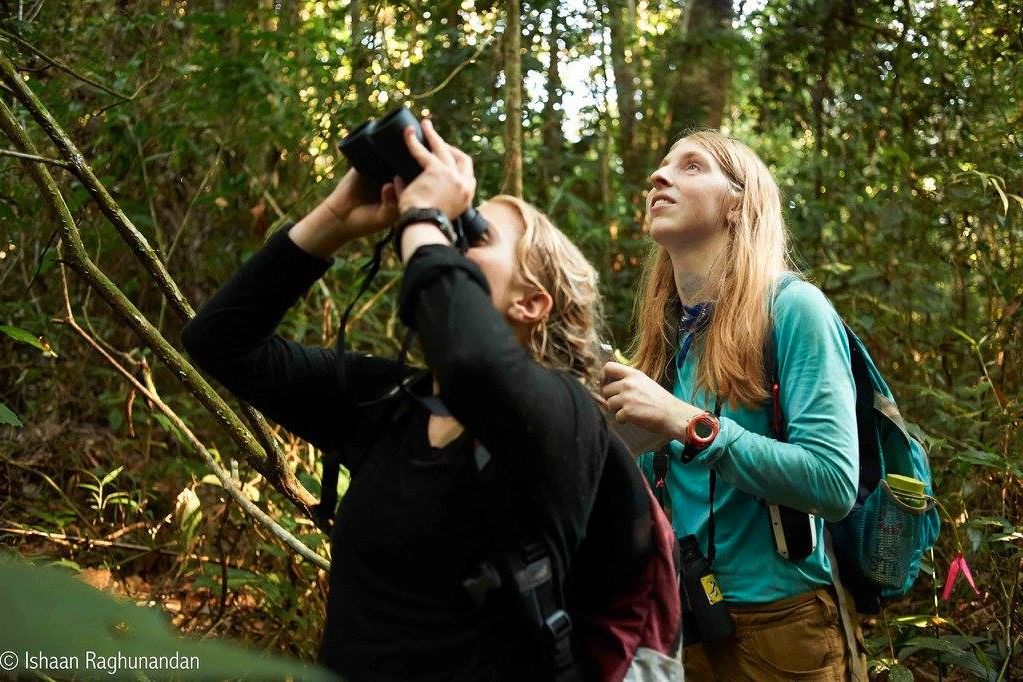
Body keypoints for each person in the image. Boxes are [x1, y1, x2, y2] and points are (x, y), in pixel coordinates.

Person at [180, 120, 654, 681]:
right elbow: (220, 342)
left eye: (472, 235)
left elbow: (475, 364)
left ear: (531, 303)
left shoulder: (566, 418)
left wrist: (426, 220)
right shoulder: (388, 403)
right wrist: (333, 221)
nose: (447, 245)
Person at [600, 130, 868, 680]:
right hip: (686, 616)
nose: (659, 176)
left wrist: (687, 423)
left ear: (737, 204)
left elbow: (834, 483)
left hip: (785, 626)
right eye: (661, 164)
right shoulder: (669, 333)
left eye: (691, 166)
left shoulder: (794, 309)